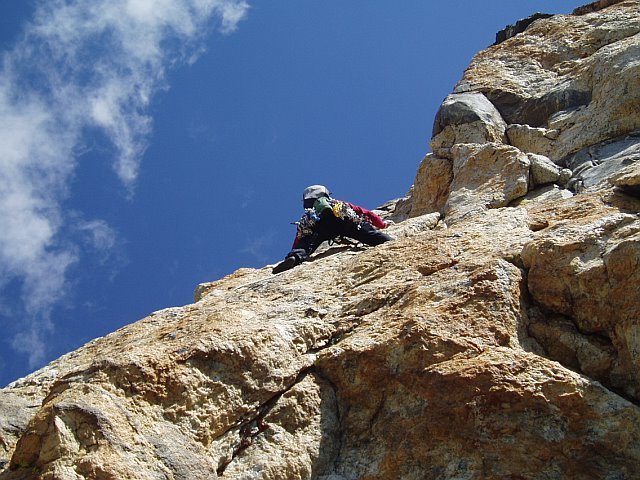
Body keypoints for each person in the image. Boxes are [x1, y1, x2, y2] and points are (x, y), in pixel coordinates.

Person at [272, 185, 393, 273]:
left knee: (307, 242)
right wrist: (382, 224)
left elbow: (300, 237)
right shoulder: (337, 203)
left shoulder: (309, 215)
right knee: (367, 233)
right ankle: (387, 241)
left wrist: (294, 252)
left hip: (320, 225)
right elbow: (365, 213)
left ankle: (296, 258)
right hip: (342, 219)